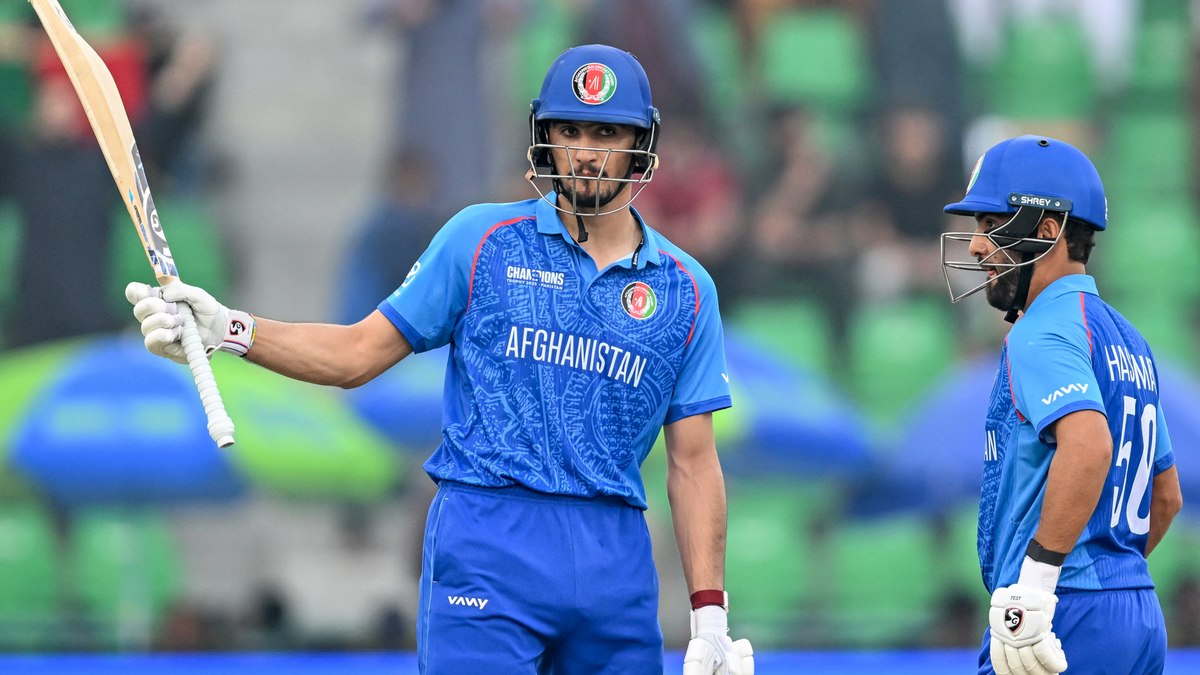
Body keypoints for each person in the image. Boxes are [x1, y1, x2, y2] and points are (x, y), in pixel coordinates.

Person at [126, 44, 753, 675]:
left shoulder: (687, 289)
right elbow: (356, 355)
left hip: (615, 560)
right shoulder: (479, 242)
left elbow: (694, 462)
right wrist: (229, 329)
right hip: (488, 540)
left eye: (607, 133)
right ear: (545, 137)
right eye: (570, 130)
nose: (586, 152)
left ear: (641, 142)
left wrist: (711, 622)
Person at [940, 135, 1184, 675]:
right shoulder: (1127, 338)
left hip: (1056, 611)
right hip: (1137, 613)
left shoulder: (1041, 332)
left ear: (1048, 230)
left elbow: (1090, 447)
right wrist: (1111, 584)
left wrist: (1039, 584)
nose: (976, 246)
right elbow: (1166, 497)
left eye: (992, 223)